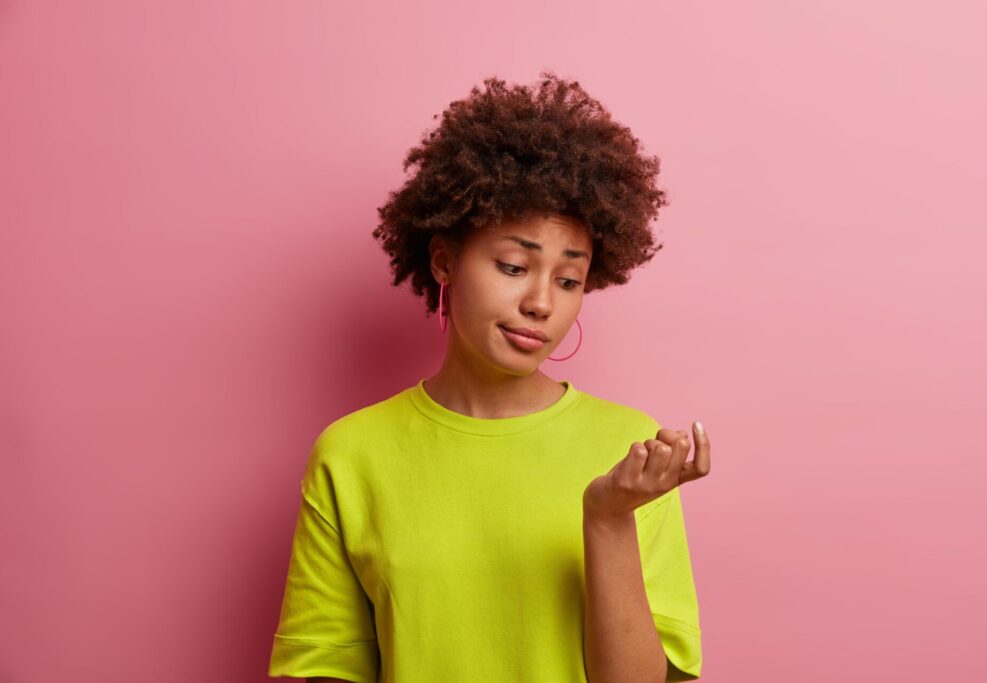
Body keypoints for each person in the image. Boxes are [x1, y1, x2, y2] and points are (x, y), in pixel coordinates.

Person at [268, 71, 711, 683]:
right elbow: (323, 670)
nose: (540, 303)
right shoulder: (352, 455)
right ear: (444, 259)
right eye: (512, 265)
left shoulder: (630, 452)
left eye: (568, 280)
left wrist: (609, 519)